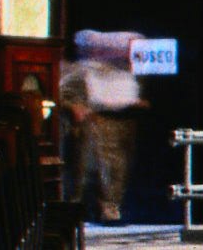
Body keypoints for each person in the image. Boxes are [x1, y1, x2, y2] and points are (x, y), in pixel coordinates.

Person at [59, 29, 142, 223]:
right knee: (86, 168)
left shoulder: (120, 72)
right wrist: (74, 107)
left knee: (116, 167)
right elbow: (62, 95)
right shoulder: (78, 70)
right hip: (90, 123)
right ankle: (78, 209)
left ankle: (109, 207)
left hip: (121, 121)